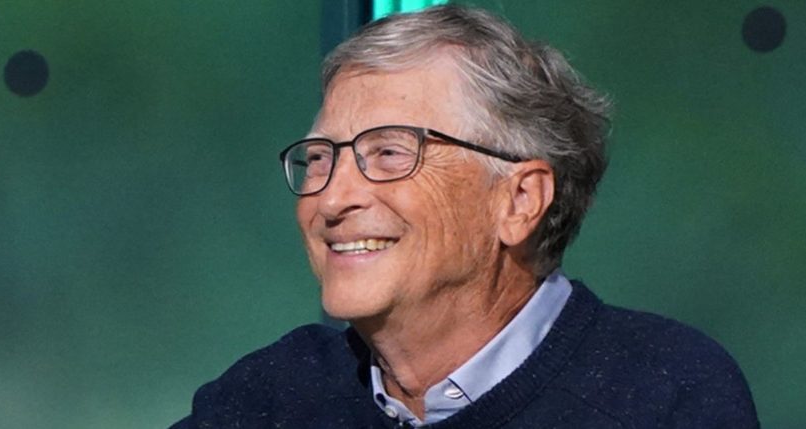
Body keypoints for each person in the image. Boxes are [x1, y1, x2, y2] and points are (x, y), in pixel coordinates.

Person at [171, 5, 758, 428]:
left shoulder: (663, 393)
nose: (330, 199)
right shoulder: (269, 399)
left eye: (389, 153)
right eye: (320, 157)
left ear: (519, 200)